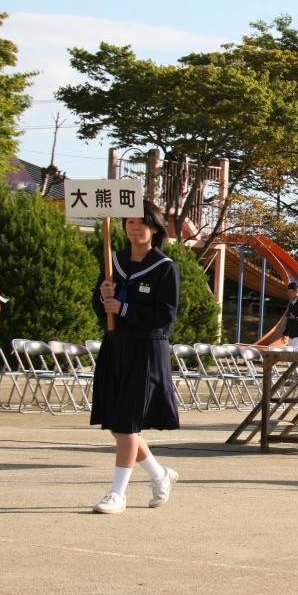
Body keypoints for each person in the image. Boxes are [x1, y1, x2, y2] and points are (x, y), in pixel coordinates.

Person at [88, 200, 181, 514]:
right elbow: (99, 303)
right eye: (128, 222)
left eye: (141, 222)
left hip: (146, 350)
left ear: (154, 228)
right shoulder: (113, 261)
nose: (134, 227)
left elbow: (165, 316)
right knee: (119, 424)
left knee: (127, 424)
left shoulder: (165, 268)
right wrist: (104, 301)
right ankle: (160, 474)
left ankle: (117, 493)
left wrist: (125, 309)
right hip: (116, 346)